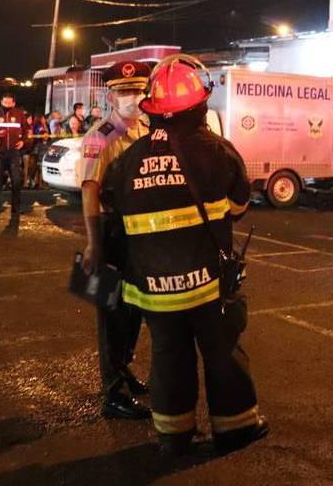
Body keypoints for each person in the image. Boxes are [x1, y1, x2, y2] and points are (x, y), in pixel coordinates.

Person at [102, 54, 267, 457]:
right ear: (200, 105)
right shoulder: (219, 151)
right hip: (209, 285)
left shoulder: (127, 160)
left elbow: (113, 211)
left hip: (153, 290)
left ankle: (173, 436)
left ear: (152, 108)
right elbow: (238, 207)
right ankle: (236, 429)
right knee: (222, 354)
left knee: (168, 356)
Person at [78, 62, 152, 420]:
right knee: (111, 311)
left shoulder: (147, 130)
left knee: (134, 306)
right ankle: (113, 392)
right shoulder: (100, 135)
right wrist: (94, 244)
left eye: (137, 91)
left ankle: (125, 369)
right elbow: (90, 192)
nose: (132, 99)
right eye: (124, 92)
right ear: (110, 96)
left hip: (139, 231)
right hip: (111, 230)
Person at [0, 93, 28, 215]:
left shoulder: (19, 114)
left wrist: (23, 141)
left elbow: (26, 130)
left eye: (9, 103)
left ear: (14, 103)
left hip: (14, 153)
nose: (7, 105)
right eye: (4, 102)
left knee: (16, 181)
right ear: (1, 102)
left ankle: (16, 208)